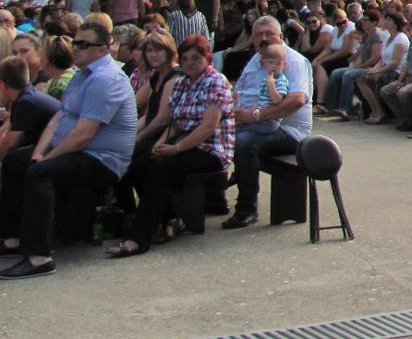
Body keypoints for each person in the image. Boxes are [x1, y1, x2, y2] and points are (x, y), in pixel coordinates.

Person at [0, 21, 136, 279]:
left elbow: (83, 136)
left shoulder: (105, 79)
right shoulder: (81, 76)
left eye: (84, 44)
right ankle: (12, 239)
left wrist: (46, 160)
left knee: (40, 173)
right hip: (78, 152)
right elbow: (58, 118)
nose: (76, 48)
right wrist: (39, 152)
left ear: (103, 49)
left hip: (102, 160)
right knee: (16, 161)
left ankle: (39, 257)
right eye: (76, 42)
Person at [105, 35, 234, 257]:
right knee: (139, 165)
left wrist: (176, 148)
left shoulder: (215, 81)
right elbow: (174, 122)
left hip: (211, 149)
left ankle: (139, 239)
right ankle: (165, 219)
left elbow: (208, 126)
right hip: (183, 142)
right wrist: (160, 143)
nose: (190, 63)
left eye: (196, 58)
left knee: (160, 169)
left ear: (207, 58)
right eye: (186, 58)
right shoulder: (184, 82)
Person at [222, 16, 312, 230]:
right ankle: (214, 197)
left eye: (269, 34)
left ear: (280, 36)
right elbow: (240, 92)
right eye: (259, 35)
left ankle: (247, 210)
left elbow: (296, 101)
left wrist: (255, 116)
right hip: (257, 122)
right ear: (252, 39)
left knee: (245, 143)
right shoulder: (257, 60)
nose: (264, 38)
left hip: (289, 131)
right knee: (211, 133)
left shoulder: (292, 60)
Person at [0, 57, 59, 160]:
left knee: (13, 159)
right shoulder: (27, 96)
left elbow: (9, 143)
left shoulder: (26, 102)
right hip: (52, 143)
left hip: (56, 146)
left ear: (2, 85)